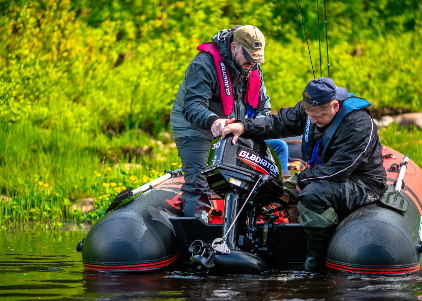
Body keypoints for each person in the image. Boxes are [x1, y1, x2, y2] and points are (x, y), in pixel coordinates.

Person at [221, 77, 388, 269]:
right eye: (310, 116)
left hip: (362, 182)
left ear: (335, 105)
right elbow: (279, 122)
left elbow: (339, 169)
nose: (314, 121)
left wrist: (304, 178)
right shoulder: (309, 111)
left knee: (312, 195)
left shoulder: (358, 124)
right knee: (276, 191)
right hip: (322, 174)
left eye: (320, 116)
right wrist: (244, 126)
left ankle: (313, 264)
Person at [170, 25, 289, 219]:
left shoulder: (251, 66)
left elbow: (263, 108)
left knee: (247, 176)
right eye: (249, 57)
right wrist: (213, 122)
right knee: (199, 182)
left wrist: (250, 127)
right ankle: (197, 239)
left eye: (256, 58)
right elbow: (192, 106)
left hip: (234, 124)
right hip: (195, 126)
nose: (252, 63)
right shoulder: (203, 64)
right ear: (233, 47)